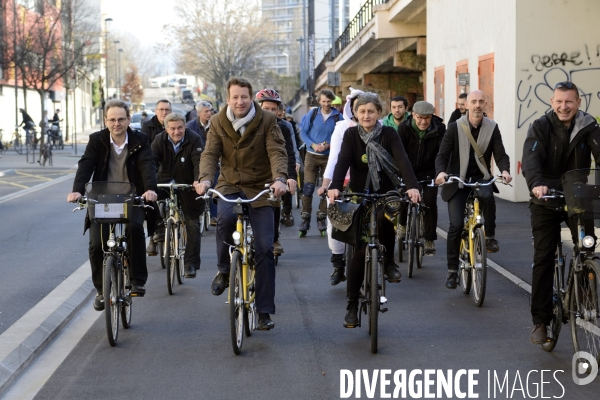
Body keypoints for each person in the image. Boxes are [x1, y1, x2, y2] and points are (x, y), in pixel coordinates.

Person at [195, 77, 288, 330]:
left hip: (261, 187)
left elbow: (277, 152)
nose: (240, 101)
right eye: (235, 97)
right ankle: (225, 271)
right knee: (223, 221)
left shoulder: (268, 120)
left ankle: (264, 311)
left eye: (244, 97)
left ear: (251, 98)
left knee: (265, 248)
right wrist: (204, 179)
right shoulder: (216, 121)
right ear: (228, 99)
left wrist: (280, 178)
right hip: (229, 185)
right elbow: (210, 154)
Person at [327, 93, 421, 327]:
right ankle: (351, 306)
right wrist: (335, 186)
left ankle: (388, 260)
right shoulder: (350, 135)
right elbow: (342, 161)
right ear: (356, 115)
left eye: (371, 111)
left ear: (379, 113)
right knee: (359, 251)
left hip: (385, 192)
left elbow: (402, 160)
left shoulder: (389, 134)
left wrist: (411, 186)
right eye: (362, 112)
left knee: (385, 219)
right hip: (359, 194)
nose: (366, 115)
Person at [522, 81, 600, 344]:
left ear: (578, 102)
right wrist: (536, 184)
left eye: (569, 102)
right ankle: (541, 321)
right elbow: (531, 159)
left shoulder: (589, 126)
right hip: (547, 197)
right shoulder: (540, 126)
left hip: (577, 196)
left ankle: (587, 289)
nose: (563, 107)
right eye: (559, 101)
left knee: (587, 245)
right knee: (544, 256)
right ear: (552, 103)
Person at [66, 99, 158, 311]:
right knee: (97, 244)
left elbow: (147, 165)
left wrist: (150, 189)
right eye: (112, 119)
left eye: (121, 119)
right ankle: (101, 291)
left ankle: (137, 281)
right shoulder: (96, 140)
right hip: (103, 199)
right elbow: (86, 164)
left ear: (128, 119)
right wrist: (78, 190)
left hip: (132, 197)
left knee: (135, 229)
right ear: (105, 120)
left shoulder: (141, 139)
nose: (117, 123)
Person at [435, 90, 512, 289]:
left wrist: (505, 170)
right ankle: (452, 271)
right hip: (456, 180)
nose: (477, 105)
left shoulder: (492, 128)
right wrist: (441, 173)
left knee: (487, 196)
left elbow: (500, 153)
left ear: (486, 104)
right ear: (466, 105)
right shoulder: (454, 127)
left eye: (481, 102)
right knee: (456, 225)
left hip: (480, 178)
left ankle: (490, 237)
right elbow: (442, 155)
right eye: (473, 102)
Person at [317, 87, 364, 285]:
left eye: (368, 109)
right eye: (359, 109)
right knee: (334, 221)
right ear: (351, 109)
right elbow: (334, 157)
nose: (364, 114)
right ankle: (338, 263)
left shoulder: (379, 127)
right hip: (341, 181)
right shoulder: (342, 127)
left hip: (370, 182)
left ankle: (382, 261)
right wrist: (326, 184)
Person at [150, 112, 205, 278]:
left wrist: (198, 181)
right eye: (172, 128)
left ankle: (190, 264)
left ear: (185, 126)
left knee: (193, 224)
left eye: (180, 127)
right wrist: (150, 184)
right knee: (149, 201)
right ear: (166, 129)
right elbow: (150, 162)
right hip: (164, 182)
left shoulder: (194, 138)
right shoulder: (159, 140)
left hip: (187, 184)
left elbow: (199, 162)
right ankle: (158, 230)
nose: (176, 132)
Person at [397, 101, 446, 254]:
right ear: (413, 115)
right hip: (407, 171)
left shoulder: (440, 129)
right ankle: (402, 224)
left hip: (430, 171)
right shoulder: (404, 128)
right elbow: (399, 153)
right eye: (420, 118)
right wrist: (400, 173)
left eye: (427, 118)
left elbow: (442, 154)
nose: (423, 121)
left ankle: (429, 239)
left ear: (432, 117)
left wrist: (440, 173)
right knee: (403, 198)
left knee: (430, 201)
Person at [255, 89, 298, 254]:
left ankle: (273, 238)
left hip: (274, 171)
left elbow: (288, 154)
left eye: (274, 109)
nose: (271, 113)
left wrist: (291, 177)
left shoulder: (284, 127)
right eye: (266, 108)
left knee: (274, 200)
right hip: (250, 172)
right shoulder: (246, 125)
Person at [299, 89, 341, 236]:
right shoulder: (312, 114)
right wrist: (313, 145)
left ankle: (321, 217)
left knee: (326, 188)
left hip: (329, 157)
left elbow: (341, 135)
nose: (326, 104)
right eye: (323, 101)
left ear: (332, 101)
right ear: (319, 101)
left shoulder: (338, 117)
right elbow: (303, 133)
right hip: (311, 155)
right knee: (308, 188)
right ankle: (305, 218)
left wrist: (329, 145)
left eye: (329, 101)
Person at [187, 101, 218, 225]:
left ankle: (215, 215)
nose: (209, 113)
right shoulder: (190, 126)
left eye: (211, 110)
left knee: (214, 184)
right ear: (199, 113)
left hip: (212, 160)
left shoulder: (216, 124)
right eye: (206, 111)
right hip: (196, 159)